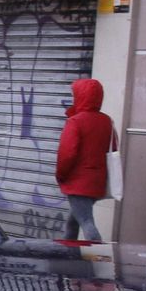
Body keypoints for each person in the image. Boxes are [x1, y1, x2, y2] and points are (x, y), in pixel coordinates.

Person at [55, 77, 113, 242]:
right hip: (97, 183)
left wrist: (61, 175)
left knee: (87, 222)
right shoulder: (106, 121)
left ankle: (99, 258)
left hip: (78, 184)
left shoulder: (75, 122)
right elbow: (113, 148)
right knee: (73, 223)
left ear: (81, 96)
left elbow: (67, 153)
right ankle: (67, 257)